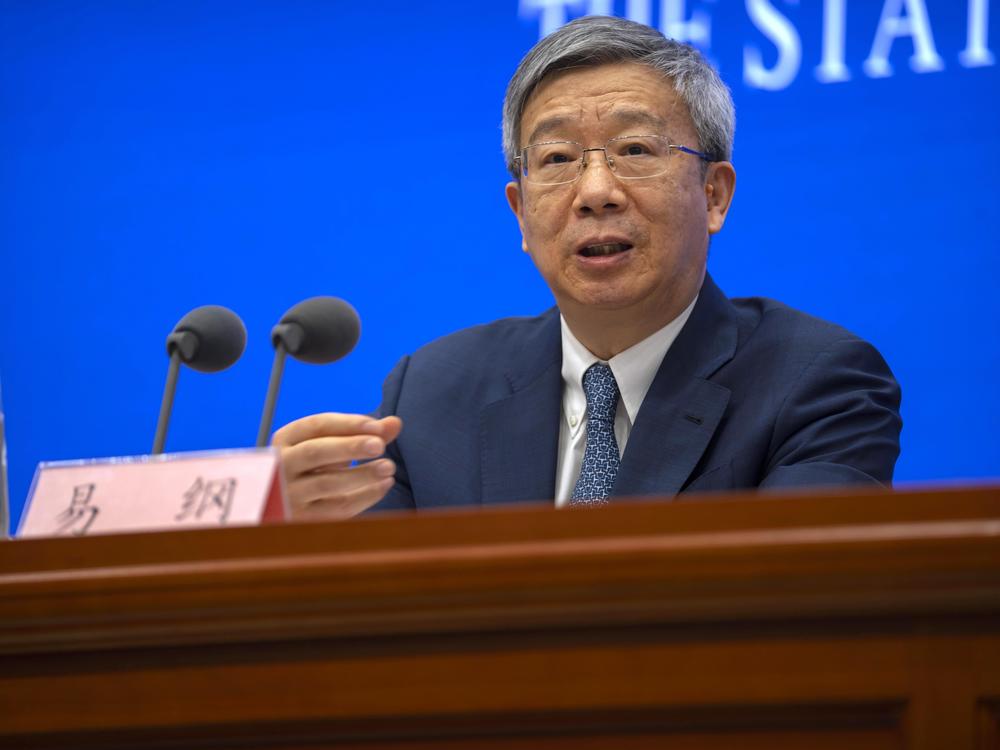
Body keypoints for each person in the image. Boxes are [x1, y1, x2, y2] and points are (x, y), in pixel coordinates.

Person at [272, 16, 902, 519]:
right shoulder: (433, 394)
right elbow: (381, 623)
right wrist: (299, 532)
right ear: (520, 212)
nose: (596, 189)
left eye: (634, 149)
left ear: (714, 195)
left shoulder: (820, 383)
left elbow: (797, 607)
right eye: (556, 159)